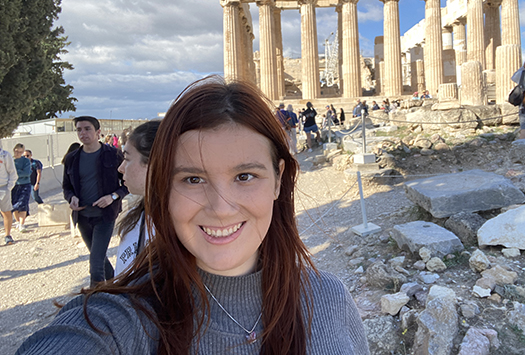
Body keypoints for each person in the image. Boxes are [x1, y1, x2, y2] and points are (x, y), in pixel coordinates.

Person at [16, 76, 368, 355]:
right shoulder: (120, 321)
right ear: (164, 188)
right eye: (193, 179)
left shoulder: (329, 299)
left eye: (245, 176)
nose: (221, 207)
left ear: (278, 179)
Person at [62, 116, 128, 287]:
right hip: (82, 217)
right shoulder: (72, 158)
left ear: (98, 132)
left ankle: (94, 300)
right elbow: (66, 187)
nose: (83, 133)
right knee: (98, 257)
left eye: (87, 128)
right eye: (79, 129)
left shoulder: (113, 155)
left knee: (95, 264)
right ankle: (117, 286)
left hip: (105, 216)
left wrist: (112, 196)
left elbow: (128, 183)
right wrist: (71, 198)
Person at [115, 120, 161, 276]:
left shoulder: (183, 228)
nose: (120, 168)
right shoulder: (134, 218)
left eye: (127, 159)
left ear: (153, 163)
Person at [12, 143, 32, 232]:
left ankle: (22, 223)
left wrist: (15, 173)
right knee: (14, 205)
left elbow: (26, 173)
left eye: (20, 152)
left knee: (23, 204)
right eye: (16, 151)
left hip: (25, 184)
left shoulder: (26, 161)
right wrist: (19, 172)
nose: (18, 153)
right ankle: (17, 221)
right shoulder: (11, 161)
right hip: (13, 185)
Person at [1, 146, 18, 245]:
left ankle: (7, 235)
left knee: (6, 212)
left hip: (3, 187)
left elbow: (12, 172)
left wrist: (8, 188)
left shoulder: (4, 155)